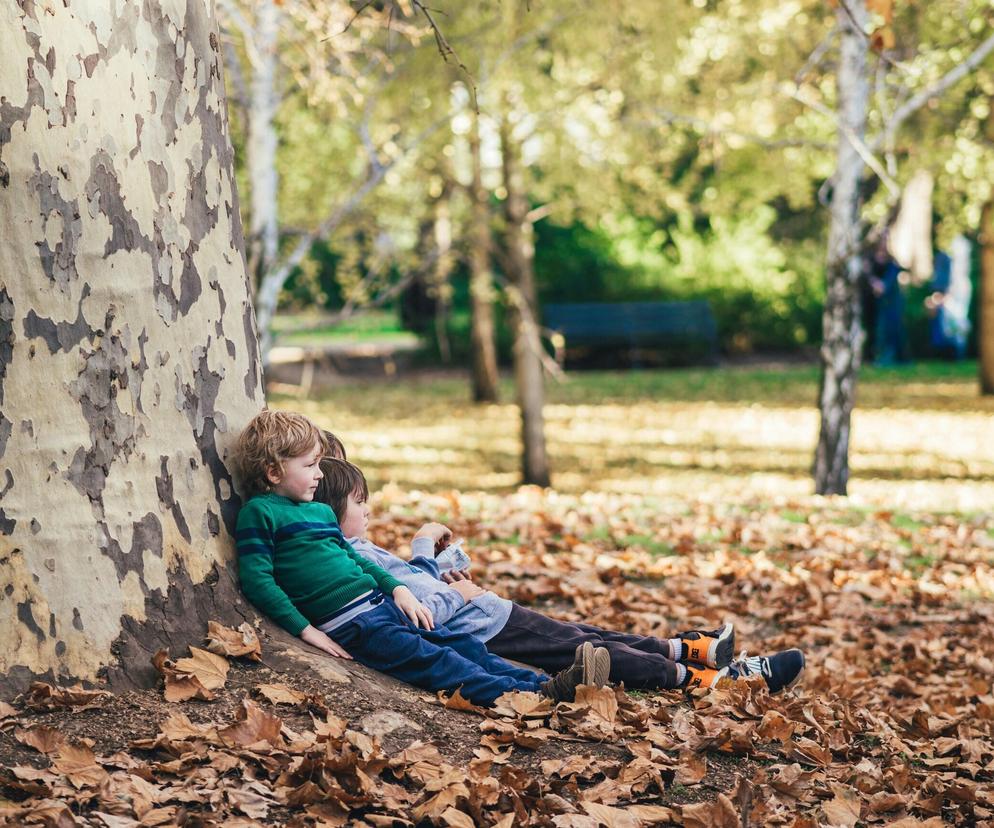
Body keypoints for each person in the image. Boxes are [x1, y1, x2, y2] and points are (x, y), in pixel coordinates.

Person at [315, 454, 806, 694]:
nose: (369, 511)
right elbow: (420, 606)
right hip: (484, 626)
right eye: (360, 503)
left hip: (488, 613)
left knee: (589, 634)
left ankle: (691, 648)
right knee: (590, 651)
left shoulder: (353, 548)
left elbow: (418, 589)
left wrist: (443, 570)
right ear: (332, 510)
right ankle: (714, 681)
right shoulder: (349, 555)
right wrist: (435, 562)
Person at [234, 409, 611, 707]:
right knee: (439, 663)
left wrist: (398, 589)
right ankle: (529, 699)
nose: (319, 474)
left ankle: (549, 684)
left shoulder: (318, 513)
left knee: (462, 646)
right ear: (273, 470)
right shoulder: (261, 513)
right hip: (355, 625)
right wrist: (305, 630)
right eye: (310, 465)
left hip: (383, 605)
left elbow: (357, 561)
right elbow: (258, 580)